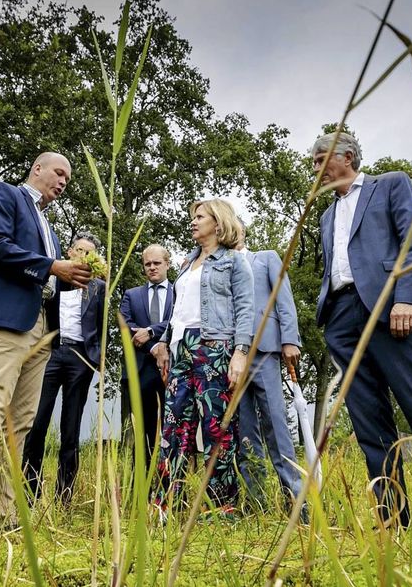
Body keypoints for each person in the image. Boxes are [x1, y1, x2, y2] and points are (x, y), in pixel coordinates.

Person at [311, 131, 412, 528]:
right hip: (342, 319)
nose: (314, 169)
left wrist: (407, 298)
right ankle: (392, 522)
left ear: (346, 157)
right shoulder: (326, 215)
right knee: (369, 422)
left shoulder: (391, 185)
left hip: (389, 309)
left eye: (319, 160)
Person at [0, 152, 91, 535]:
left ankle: (9, 516)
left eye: (68, 177)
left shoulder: (50, 227)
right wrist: (51, 266)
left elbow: (48, 279)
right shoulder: (6, 195)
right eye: (58, 172)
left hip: (41, 328)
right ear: (37, 169)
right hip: (6, 320)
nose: (63, 181)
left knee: (22, 424)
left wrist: (75, 275)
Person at [151, 198, 253, 517]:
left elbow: (246, 309)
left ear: (218, 223)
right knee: (173, 424)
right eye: (192, 217)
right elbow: (177, 311)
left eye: (200, 217)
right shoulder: (185, 264)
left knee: (216, 426)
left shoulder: (234, 262)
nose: (193, 222)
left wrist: (240, 352)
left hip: (215, 345)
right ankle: (165, 504)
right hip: (181, 346)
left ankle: (220, 505)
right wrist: (165, 344)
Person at [22, 232, 106, 505]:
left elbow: (103, 328)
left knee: (71, 429)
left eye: (89, 253)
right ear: (70, 252)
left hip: (80, 359)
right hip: (51, 354)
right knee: (37, 424)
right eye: (79, 250)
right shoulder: (51, 279)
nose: (83, 256)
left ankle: (64, 497)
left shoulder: (98, 287)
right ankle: (29, 494)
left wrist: (95, 360)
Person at [233, 225, 304, 511]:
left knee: (276, 425)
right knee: (245, 431)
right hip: (233, 356)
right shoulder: (218, 266)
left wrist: (290, 339)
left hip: (265, 349)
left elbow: (283, 298)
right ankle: (255, 503)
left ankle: (297, 501)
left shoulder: (265, 258)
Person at [119, 244, 174, 465]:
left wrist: (153, 333)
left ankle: (173, 491)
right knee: (144, 433)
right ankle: (140, 490)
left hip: (173, 368)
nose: (152, 268)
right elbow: (126, 327)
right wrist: (153, 347)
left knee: (174, 431)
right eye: (147, 264)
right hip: (141, 371)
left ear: (167, 264)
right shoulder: (131, 295)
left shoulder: (180, 293)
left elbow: (178, 321)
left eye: (157, 263)